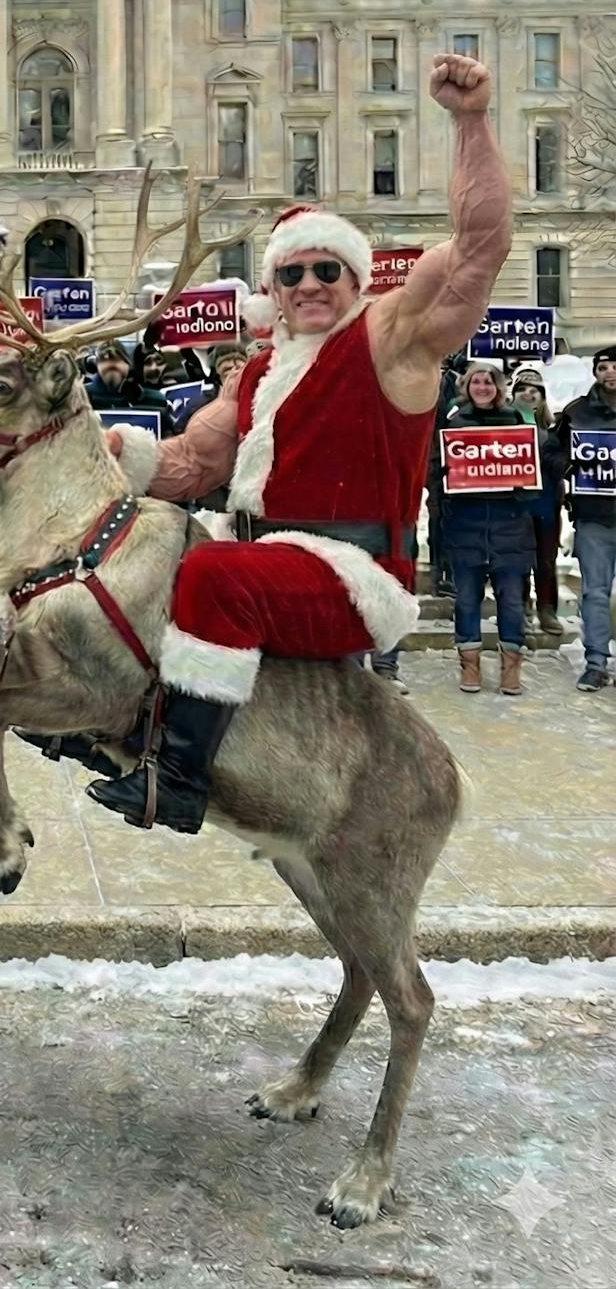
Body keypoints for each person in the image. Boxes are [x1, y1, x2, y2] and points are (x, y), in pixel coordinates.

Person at [85, 53, 511, 831]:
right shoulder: (252, 377)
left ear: (355, 280)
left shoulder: (390, 340)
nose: (311, 285)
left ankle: (177, 780)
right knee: (145, 557)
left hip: (350, 573)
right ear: (272, 292)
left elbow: (478, 248)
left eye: (328, 269)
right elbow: (187, 465)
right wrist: (104, 450)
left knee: (214, 573)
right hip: (265, 561)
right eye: (292, 274)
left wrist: (471, 120)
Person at [440, 362, 534, 695]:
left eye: (489, 381)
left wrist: (528, 488)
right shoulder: (453, 423)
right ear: (466, 386)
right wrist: (444, 495)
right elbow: (437, 471)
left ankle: (510, 668)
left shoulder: (517, 421)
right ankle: (470, 666)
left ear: (498, 387)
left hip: (510, 528)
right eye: (476, 381)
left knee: (510, 601)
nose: (482, 387)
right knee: (466, 600)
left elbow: (533, 468)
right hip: (466, 526)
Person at [555, 344, 616, 691]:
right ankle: (595, 662)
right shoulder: (577, 413)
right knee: (594, 592)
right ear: (595, 372)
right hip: (594, 518)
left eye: (615, 366)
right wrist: (569, 467)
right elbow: (553, 453)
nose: (610, 372)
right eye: (603, 367)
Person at [511, 367, 565, 640]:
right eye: (522, 388)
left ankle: (547, 607)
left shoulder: (554, 429)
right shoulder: (503, 425)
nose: (529, 393)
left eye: (535, 390)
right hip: (516, 504)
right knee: (519, 557)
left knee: (546, 559)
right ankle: (520, 605)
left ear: (543, 398)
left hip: (546, 503)